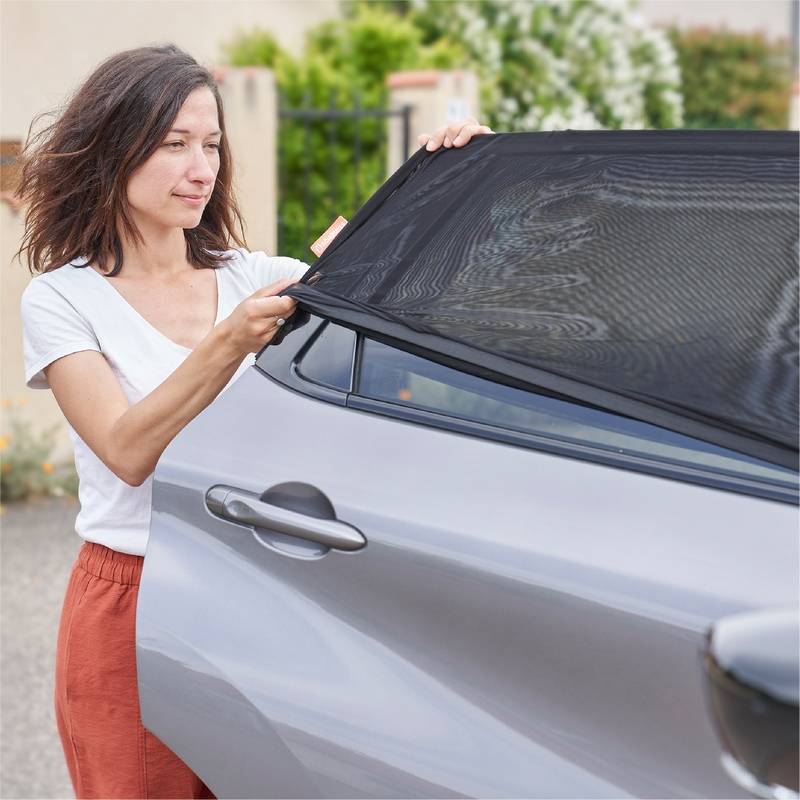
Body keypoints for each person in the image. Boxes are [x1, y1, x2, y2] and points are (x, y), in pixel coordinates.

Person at [15, 44, 493, 799]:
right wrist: (230, 339)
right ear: (114, 149)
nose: (199, 167)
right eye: (173, 144)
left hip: (261, 586)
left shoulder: (256, 278)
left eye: (210, 144)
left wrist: (459, 179)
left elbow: (415, 292)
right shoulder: (62, 299)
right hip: (134, 595)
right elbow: (126, 449)